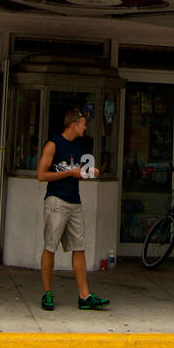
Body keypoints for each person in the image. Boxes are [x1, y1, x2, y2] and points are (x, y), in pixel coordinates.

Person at [37, 107, 109, 311]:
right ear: (74, 125)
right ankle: (47, 293)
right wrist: (70, 173)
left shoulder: (79, 145)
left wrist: (87, 173)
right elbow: (42, 175)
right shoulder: (53, 144)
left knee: (79, 248)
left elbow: (76, 171)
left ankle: (84, 296)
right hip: (56, 201)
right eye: (83, 124)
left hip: (74, 200)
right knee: (50, 246)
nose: (86, 128)